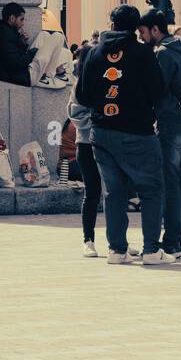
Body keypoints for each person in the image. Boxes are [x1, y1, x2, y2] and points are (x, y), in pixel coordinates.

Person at [75, 5, 171, 265]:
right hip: (137, 131)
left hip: (102, 132)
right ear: (135, 27)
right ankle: (151, 249)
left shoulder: (93, 53)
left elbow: (82, 95)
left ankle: (117, 249)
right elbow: (158, 90)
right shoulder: (143, 53)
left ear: (112, 24)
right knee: (151, 189)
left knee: (114, 191)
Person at [141, 9, 181, 259]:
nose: (142, 37)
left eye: (143, 32)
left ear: (155, 30)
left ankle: (172, 240)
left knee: (170, 181)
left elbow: (157, 87)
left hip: (169, 120)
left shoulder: (164, 53)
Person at [67, 66, 106, 257]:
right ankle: (88, 240)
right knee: (92, 192)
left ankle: (117, 240)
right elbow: (75, 115)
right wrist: (99, 118)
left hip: (109, 142)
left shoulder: (111, 79)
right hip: (86, 143)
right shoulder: (79, 86)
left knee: (115, 192)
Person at [0, 2, 38, 86]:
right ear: (12, 18)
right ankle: (50, 73)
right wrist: (32, 53)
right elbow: (16, 64)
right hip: (18, 78)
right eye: (21, 19)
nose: (23, 23)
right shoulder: (6, 35)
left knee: (45, 36)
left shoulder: (7, 31)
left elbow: (13, 54)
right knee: (57, 37)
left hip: (17, 74)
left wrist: (22, 43)